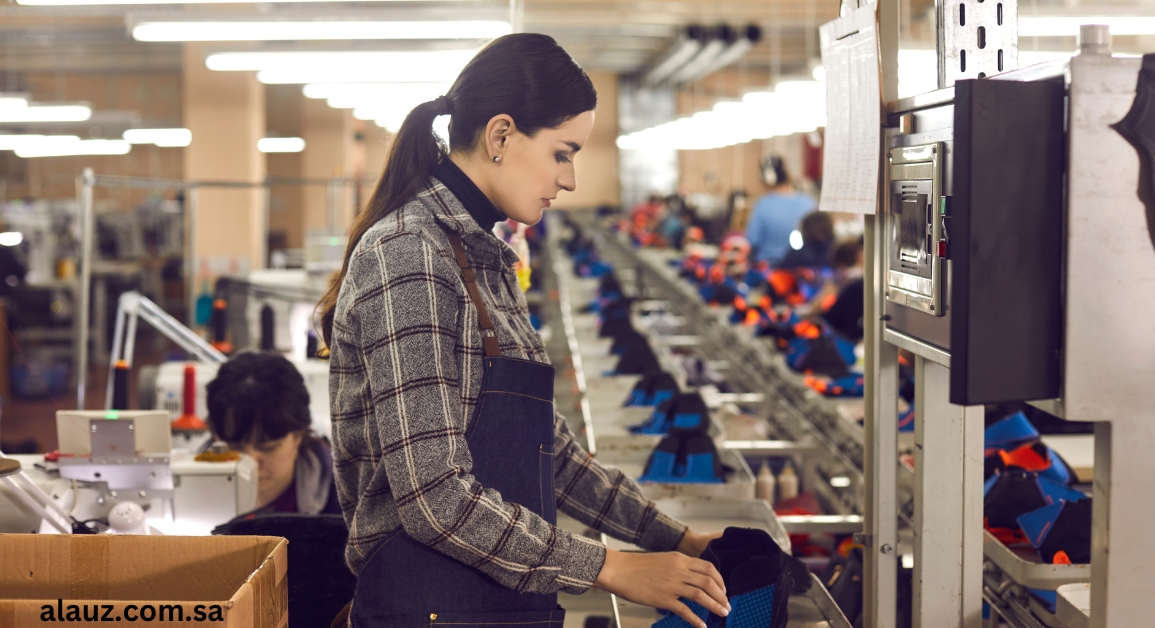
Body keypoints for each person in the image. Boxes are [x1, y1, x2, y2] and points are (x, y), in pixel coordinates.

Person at [317, 34, 728, 628]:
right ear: (501, 135)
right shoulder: (409, 255)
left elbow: (548, 455)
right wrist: (609, 567)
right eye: (563, 152)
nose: (571, 179)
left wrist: (675, 539)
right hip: (427, 606)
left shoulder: (483, 256)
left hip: (488, 600)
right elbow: (435, 499)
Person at [206, 351, 340, 515]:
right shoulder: (186, 489)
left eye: (268, 447)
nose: (252, 464)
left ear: (299, 435)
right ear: (216, 436)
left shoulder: (342, 499)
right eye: (235, 447)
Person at [745, 155, 818, 265]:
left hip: (769, 268)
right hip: (801, 267)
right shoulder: (808, 202)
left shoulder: (763, 204)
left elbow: (753, 240)